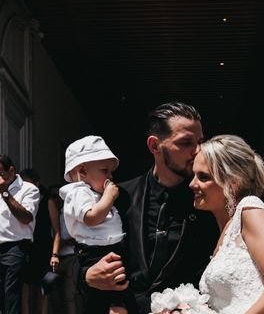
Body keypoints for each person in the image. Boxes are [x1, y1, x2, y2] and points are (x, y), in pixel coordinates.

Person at [83, 102, 219, 313]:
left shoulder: (208, 200)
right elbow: (83, 252)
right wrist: (86, 275)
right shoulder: (120, 196)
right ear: (155, 146)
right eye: (186, 143)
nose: (198, 150)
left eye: (200, 141)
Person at [189, 135, 264, 314]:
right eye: (193, 175)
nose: (192, 184)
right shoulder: (227, 229)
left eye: (203, 177)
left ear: (232, 182)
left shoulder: (250, 210)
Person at [59, 136, 129, 314]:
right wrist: (109, 197)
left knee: (117, 293)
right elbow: (91, 218)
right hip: (94, 252)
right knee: (100, 297)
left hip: (110, 247)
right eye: (105, 170)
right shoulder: (78, 192)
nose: (110, 177)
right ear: (82, 171)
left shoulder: (92, 192)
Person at [0, 155, 41, 314]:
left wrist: (5, 193)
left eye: (0, 173)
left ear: (11, 170)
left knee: (12, 294)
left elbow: (26, 218)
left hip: (17, 247)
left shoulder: (29, 189)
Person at [19, 169, 52, 314]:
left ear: (37, 184)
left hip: (43, 246)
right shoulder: (21, 203)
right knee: (24, 287)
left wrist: (55, 254)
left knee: (42, 289)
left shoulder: (47, 202)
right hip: (27, 245)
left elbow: (56, 230)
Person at [47, 184, 82, 314]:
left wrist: (63, 241)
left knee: (69, 295)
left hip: (70, 256)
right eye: (53, 196)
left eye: (59, 196)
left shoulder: (70, 214)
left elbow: (76, 237)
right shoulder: (49, 215)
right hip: (54, 259)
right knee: (53, 295)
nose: (56, 199)